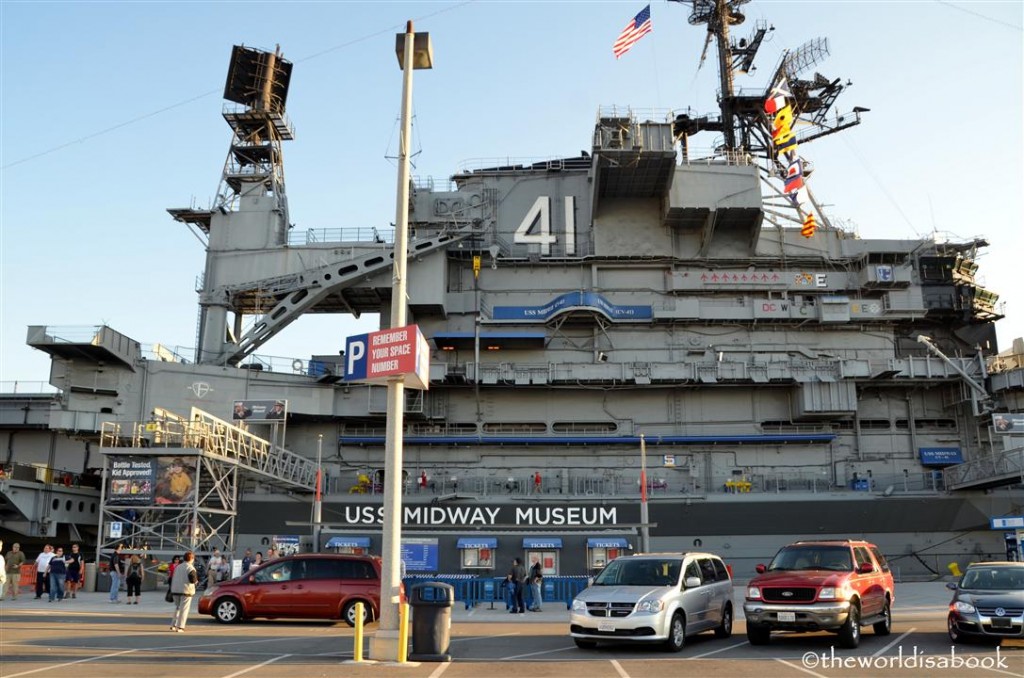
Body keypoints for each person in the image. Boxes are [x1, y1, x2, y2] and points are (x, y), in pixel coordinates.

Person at [169, 551, 198, 632]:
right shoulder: (190, 568)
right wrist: (196, 582)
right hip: (186, 590)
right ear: (191, 559)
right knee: (184, 609)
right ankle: (180, 627)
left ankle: (173, 624)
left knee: (177, 607)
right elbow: (193, 579)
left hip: (175, 590)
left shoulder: (178, 566)